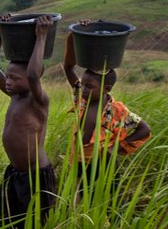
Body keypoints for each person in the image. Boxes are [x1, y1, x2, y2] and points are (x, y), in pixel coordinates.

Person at [0, 15, 57, 229]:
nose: (8, 81)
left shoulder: (38, 101)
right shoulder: (15, 95)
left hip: (37, 176)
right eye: (9, 76)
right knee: (2, 220)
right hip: (16, 174)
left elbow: (35, 75)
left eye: (15, 78)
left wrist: (42, 37)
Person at [61, 21, 152, 176]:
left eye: (89, 86)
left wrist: (113, 149)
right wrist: (74, 35)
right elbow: (68, 67)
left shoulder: (117, 110)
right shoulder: (81, 100)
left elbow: (144, 129)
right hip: (78, 162)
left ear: (106, 88)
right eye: (83, 84)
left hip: (104, 166)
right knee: (78, 197)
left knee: (106, 199)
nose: (83, 89)